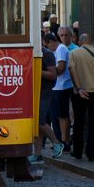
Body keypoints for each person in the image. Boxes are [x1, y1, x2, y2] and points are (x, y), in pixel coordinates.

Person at [68, 33, 94, 161]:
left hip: (80, 93)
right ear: (91, 42)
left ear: (80, 42)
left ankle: (77, 151)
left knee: (78, 122)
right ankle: (92, 153)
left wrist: (79, 87)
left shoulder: (74, 53)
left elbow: (72, 70)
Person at [32, 31, 65, 162]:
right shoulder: (34, 53)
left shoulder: (47, 54)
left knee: (39, 122)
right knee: (38, 124)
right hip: (36, 92)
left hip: (45, 92)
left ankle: (57, 143)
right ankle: (37, 153)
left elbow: (53, 75)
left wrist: (35, 70)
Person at [52, 26, 77, 145]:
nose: (64, 38)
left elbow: (63, 68)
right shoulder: (59, 48)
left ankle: (65, 140)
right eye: (61, 35)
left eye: (66, 35)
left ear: (71, 36)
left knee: (66, 114)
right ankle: (62, 140)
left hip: (69, 85)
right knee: (60, 115)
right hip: (63, 85)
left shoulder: (74, 49)